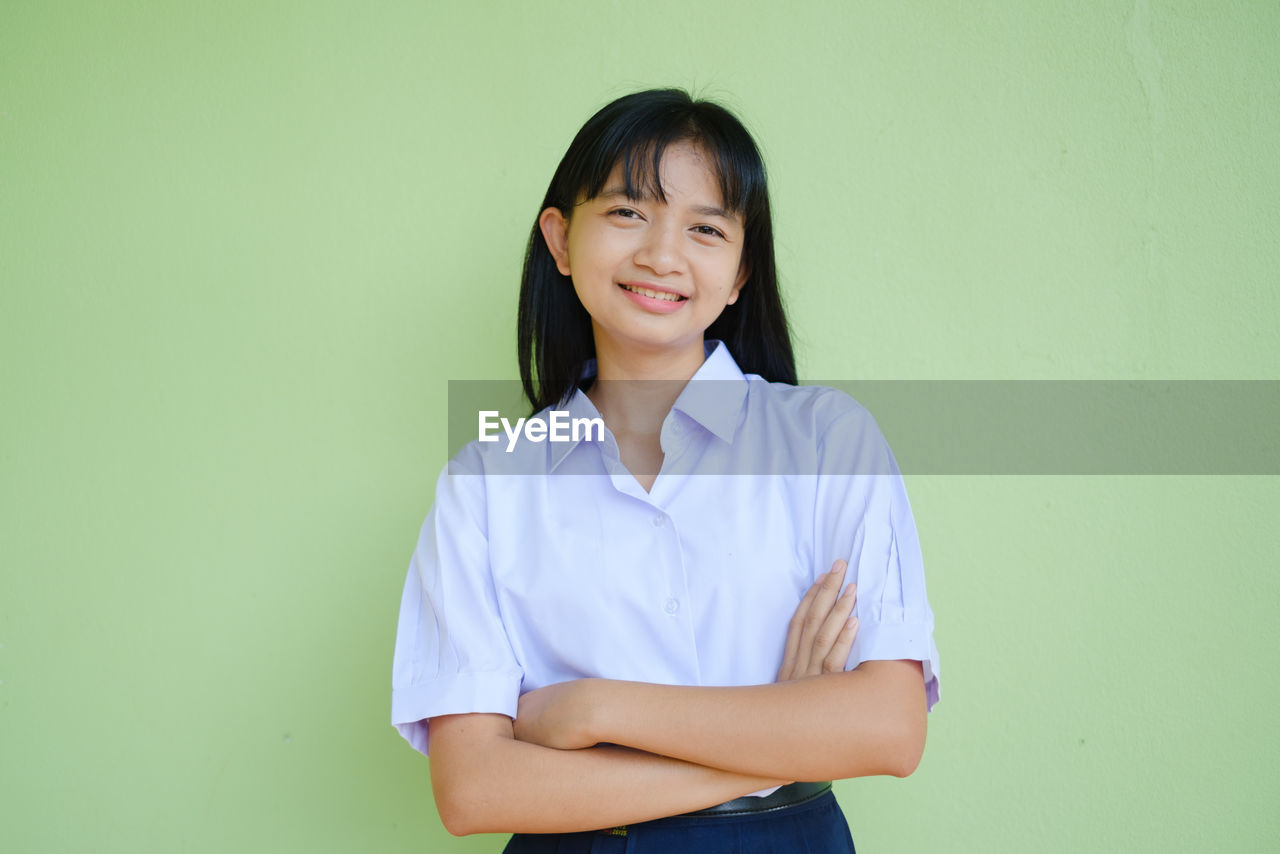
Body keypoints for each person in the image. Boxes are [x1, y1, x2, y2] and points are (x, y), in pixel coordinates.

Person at [391, 88, 940, 852]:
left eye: (706, 228)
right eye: (626, 213)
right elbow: (473, 789)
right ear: (559, 238)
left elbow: (888, 729)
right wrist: (776, 740)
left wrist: (594, 710)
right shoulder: (486, 484)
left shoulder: (825, 441)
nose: (662, 254)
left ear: (743, 268)